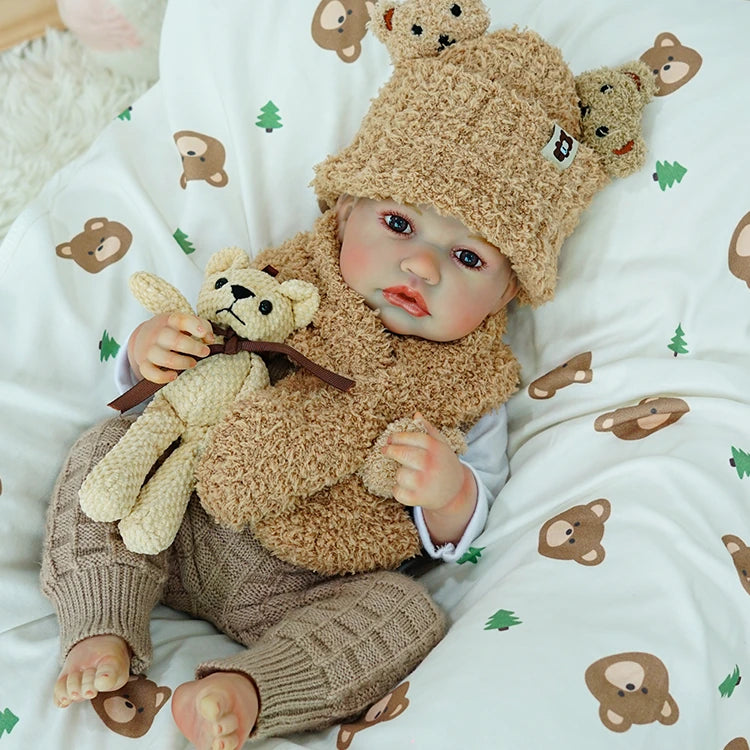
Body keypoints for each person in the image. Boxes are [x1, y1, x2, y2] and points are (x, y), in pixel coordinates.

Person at [41, 26, 612, 750]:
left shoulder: (474, 382)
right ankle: (103, 623)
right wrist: (152, 352)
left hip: (308, 588)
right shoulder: (282, 283)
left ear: (505, 297)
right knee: (108, 451)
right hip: (179, 520)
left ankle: (247, 690)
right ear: (344, 213)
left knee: (406, 614)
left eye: (467, 256)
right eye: (399, 223)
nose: (423, 268)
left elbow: (469, 522)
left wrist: (447, 492)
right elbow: (181, 382)